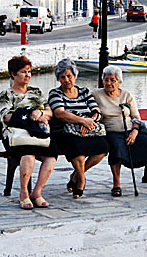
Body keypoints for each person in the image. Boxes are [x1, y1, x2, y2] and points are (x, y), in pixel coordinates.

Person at [93, 65, 147, 198]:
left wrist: (134, 131)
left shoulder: (127, 95)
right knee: (116, 147)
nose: (109, 83)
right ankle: (116, 184)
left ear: (119, 82)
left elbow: (136, 116)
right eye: (106, 80)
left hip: (131, 129)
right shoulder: (96, 94)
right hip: (111, 131)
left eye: (112, 80)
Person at [0, 55, 58, 209]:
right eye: (23, 72)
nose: (27, 75)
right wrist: (29, 114)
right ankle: (24, 193)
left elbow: (49, 110)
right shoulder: (7, 95)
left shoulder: (36, 92)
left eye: (29, 72)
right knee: (28, 155)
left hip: (37, 133)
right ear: (13, 74)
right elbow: (6, 117)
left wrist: (42, 114)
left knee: (51, 156)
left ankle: (37, 192)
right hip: (17, 136)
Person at [46, 58, 108, 199]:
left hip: (87, 128)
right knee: (78, 152)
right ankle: (81, 180)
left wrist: (90, 122)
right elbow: (59, 113)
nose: (67, 80)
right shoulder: (55, 93)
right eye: (63, 77)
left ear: (75, 76)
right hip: (66, 131)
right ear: (58, 79)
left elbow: (97, 111)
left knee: (103, 149)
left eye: (69, 76)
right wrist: (82, 121)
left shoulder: (84, 92)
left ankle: (75, 175)